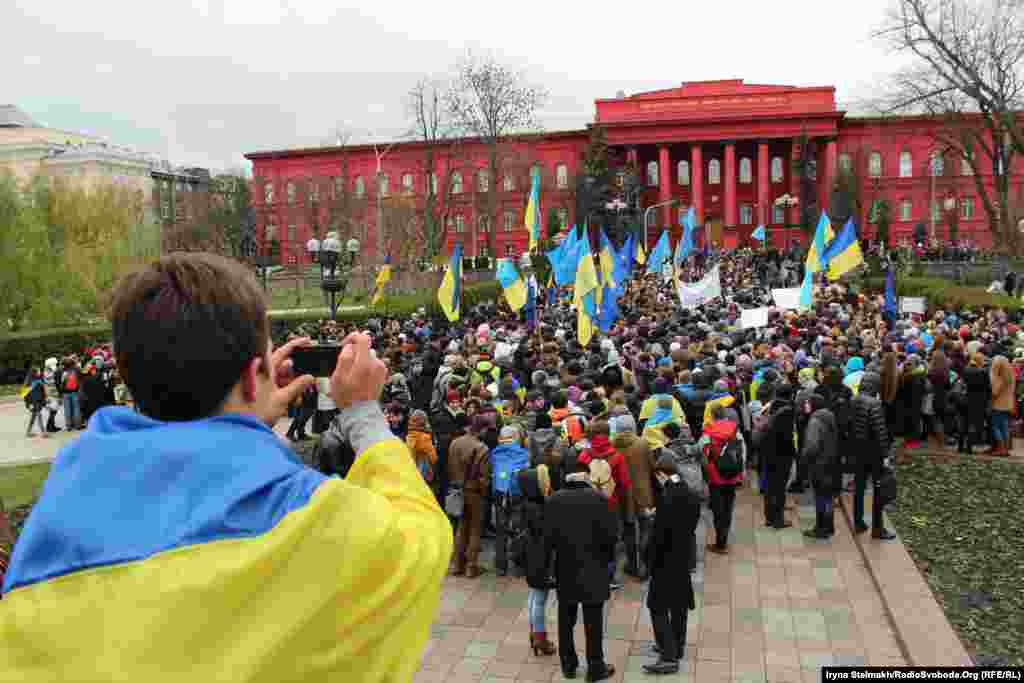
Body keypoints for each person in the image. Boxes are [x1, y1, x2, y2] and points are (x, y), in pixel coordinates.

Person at [1, 253, 453, 680]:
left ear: (126, 369)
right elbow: (421, 539)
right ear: (250, 375)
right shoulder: (315, 518)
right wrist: (362, 413)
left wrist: (244, 413)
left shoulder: (56, 514)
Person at [545, 459, 618, 682]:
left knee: (566, 619)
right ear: (586, 476)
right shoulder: (600, 499)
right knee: (593, 621)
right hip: (594, 568)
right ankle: (595, 667)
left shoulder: (554, 500)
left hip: (565, 568)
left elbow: (548, 539)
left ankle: (568, 665)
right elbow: (611, 538)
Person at [642, 452, 700, 675]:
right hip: (683, 558)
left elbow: (659, 536)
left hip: (665, 561)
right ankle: (678, 646)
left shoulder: (666, 498)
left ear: (660, 473)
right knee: (679, 605)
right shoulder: (688, 492)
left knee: (656, 606)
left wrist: (649, 559)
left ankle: (667, 655)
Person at [850, 372, 897, 540]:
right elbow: (880, 432)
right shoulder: (875, 404)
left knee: (859, 488)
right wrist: (886, 455)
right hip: (874, 453)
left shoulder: (853, 400)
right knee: (879, 489)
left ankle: (858, 521)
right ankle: (878, 528)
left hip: (858, 451)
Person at [519, 465, 557, 658]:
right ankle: (540, 639)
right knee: (540, 599)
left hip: (530, 558)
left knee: (534, 596)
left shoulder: (527, 504)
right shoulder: (541, 508)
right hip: (541, 559)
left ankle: (535, 633)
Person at [448, 415, 492, 578]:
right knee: (474, 529)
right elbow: (484, 478)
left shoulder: (455, 442)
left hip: (457, 490)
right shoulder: (482, 448)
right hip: (474, 493)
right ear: (482, 429)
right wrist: (484, 490)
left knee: (460, 527)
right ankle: (471, 567)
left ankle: (457, 565)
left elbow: (450, 467)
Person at [701, 403, 744, 553]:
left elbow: (703, 456)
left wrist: (705, 477)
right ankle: (724, 537)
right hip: (732, 475)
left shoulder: (708, 431)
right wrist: (740, 474)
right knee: (728, 507)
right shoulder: (735, 429)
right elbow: (741, 452)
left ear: (712, 415)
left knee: (717, 509)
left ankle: (720, 542)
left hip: (715, 476)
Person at [757, 383, 796, 529]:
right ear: (789, 395)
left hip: (766, 452)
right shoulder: (787, 410)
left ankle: (769, 517)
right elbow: (786, 436)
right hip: (781, 455)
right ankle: (778, 519)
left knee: (769, 485)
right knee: (779, 488)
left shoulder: (769, 407)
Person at [801, 393, 838, 539]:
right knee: (828, 496)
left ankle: (820, 528)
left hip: (818, 464)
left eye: (808, 403)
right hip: (830, 462)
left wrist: (804, 455)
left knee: (820, 497)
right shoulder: (829, 416)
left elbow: (812, 446)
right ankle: (829, 526)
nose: (806, 405)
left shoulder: (815, 421)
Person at [989, 355, 1015, 457]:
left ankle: (1001, 449)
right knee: (1004, 426)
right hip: (1007, 404)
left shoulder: (999, 377)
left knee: (995, 427)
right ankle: (1006, 449)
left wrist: (991, 402)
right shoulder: (1010, 375)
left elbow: (995, 392)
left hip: (998, 404)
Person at [23, 368, 49, 439]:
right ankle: (43, 432)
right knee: (39, 415)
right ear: (34, 373)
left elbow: (43, 391)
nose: (40, 372)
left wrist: (44, 400)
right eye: (38, 371)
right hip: (33, 402)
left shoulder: (40, 380)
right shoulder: (29, 382)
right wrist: (29, 404)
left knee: (34, 417)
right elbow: (25, 395)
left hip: (39, 401)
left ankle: (28, 432)